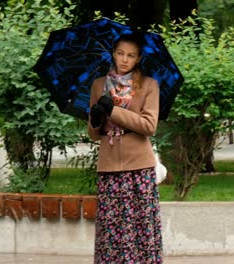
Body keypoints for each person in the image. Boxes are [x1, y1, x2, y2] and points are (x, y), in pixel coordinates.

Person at [88, 32, 163, 263]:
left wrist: (114, 111)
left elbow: (149, 126)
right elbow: (93, 134)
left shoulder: (149, 85)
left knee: (139, 229)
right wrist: (96, 118)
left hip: (139, 167)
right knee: (111, 231)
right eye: (120, 53)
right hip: (109, 166)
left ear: (138, 58)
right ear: (113, 53)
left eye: (130, 55)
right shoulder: (99, 85)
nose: (124, 59)